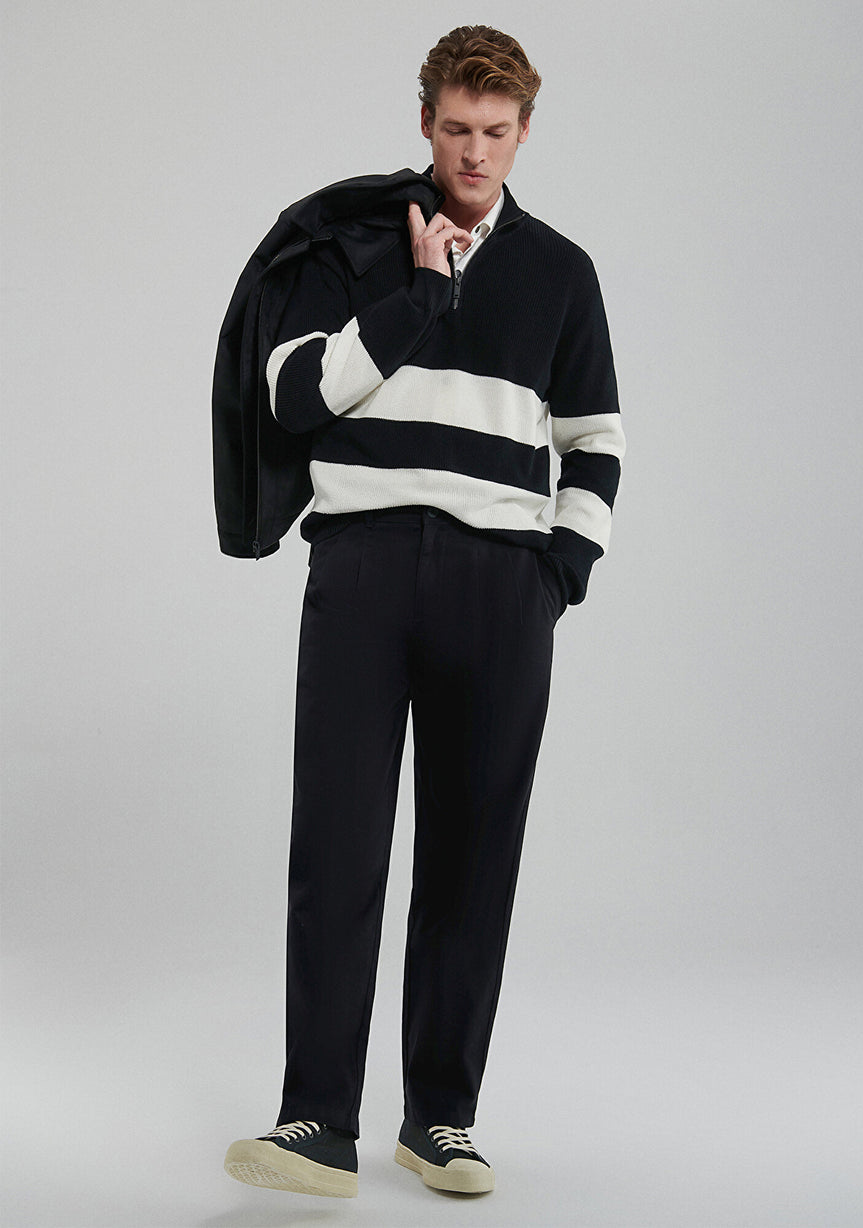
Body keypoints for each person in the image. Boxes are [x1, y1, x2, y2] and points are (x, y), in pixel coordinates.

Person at [222, 24, 625, 1200]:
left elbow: (595, 441)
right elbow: (294, 395)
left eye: (494, 131)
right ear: (424, 122)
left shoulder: (560, 273)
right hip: (363, 567)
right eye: (455, 128)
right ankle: (315, 1120)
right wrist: (417, 297)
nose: (472, 152)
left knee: (472, 855)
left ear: (524, 132)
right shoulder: (351, 243)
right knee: (336, 845)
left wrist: (557, 575)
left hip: (502, 587)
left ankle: (439, 1117)